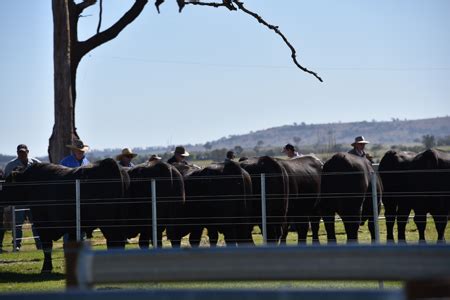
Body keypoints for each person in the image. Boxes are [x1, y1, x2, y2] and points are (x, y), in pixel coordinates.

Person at [4, 144, 42, 251]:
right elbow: (7, 182)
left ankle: (39, 245)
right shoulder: (11, 165)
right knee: (17, 224)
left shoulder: (36, 163)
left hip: (33, 199)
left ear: (28, 152)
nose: (22, 154)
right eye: (20, 152)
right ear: (17, 153)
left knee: (35, 223)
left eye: (24, 152)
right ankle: (16, 245)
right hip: (18, 199)